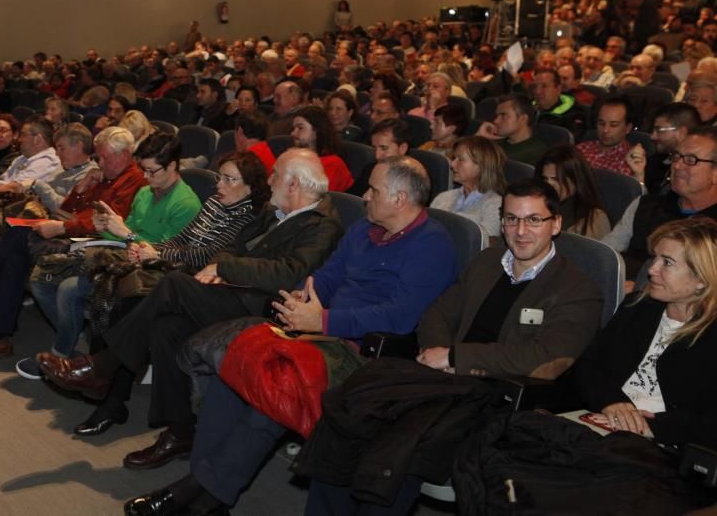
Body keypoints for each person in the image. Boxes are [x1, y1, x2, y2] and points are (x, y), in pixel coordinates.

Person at [124, 157, 459, 515]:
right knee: (233, 367)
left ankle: (200, 492)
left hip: (367, 355)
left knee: (275, 388)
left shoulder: (432, 246)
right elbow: (328, 276)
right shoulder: (365, 229)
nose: (364, 196)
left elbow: (399, 317)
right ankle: (208, 493)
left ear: (399, 198)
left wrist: (324, 321)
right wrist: (301, 295)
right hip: (319, 336)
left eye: (373, 190)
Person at [299, 180, 604, 514]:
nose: (520, 231)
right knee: (351, 412)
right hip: (438, 378)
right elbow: (437, 314)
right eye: (512, 219)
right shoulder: (488, 262)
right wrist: (438, 353)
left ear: (556, 224)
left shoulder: (577, 289)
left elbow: (544, 357)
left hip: (493, 396)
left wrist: (455, 357)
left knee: (401, 446)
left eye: (534, 219)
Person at [39, 149, 344, 470]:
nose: (271, 180)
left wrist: (225, 267)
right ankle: (179, 429)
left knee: (171, 285)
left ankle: (101, 367)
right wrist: (222, 265)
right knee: (165, 326)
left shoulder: (323, 226)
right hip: (232, 292)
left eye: (276, 175)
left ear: (294, 183)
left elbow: (287, 273)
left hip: (263, 309)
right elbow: (231, 247)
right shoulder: (276, 211)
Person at [0, 126, 146, 365]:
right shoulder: (106, 174)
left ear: (124, 155)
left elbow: (102, 223)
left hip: (92, 245)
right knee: (15, 255)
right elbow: (70, 211)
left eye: (104, 157)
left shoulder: (134, 181)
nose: (99, 162)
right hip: (75, 233)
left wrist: (62, 228)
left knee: (19, 234)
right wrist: (82, 190)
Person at [27, 132, 202, 360]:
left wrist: (125, 233)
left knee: (68, 289)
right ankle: (75, 336)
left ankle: (61, 354)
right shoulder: (145, 192)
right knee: (42, 276)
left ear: (173, 166)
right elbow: (122, 235)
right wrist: (104, 226)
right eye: (144, 170)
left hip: (148, 273)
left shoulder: (186, 204)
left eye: (152, 171)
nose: (146, 177)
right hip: (118, 256)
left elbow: (161, 256)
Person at [574, 217, 717, 447]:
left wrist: (649, 426)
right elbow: (589, 366)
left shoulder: (710, 338)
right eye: (655, 258)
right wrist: (612, 402)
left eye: (667, 262)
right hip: (599, 424)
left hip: (660, 447)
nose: (652, 269)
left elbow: (709, 424)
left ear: (702, 278)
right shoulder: (639, 307)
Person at [603, 126, 717, 286]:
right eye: (676, 156)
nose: (677, 166)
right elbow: (606, 253)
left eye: (691, 160)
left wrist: (641, 288)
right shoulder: (645, 206)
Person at [430, 135, 506, 238]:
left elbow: (483, 244)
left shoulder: (496, 205)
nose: (452, 164)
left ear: (481, 165)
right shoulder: (443, 197)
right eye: (453, 158)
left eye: (460, 159)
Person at [535, 145, 611, 239]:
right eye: (545, 179)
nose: (549, 184)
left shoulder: (594, 219)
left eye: (557, 179)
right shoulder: (536, 206)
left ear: (576, 180)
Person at [626, 102, 702, 194]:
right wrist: (639, 175)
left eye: (659, 130)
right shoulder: (655, 162)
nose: (652, 137)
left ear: (682, 133)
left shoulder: (696, 173)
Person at [291, 105, 354, 192]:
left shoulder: (333, 164)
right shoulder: (291, 159)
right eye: (293, 128)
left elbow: (321, 198)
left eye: (300, 128)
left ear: (317, 130)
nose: (293, 133)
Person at [477, 93, 548, 166]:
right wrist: (479, 136)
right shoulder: (497, 143)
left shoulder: (535, 153)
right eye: (497, 115)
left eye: (503, 115)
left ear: (523, 119)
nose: (496, 120)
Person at [576, 96, 634, 176]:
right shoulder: (582, 149)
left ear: (628, 128)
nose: (605, 130)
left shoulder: (630, 161)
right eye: (601, 123)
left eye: (614, 125)